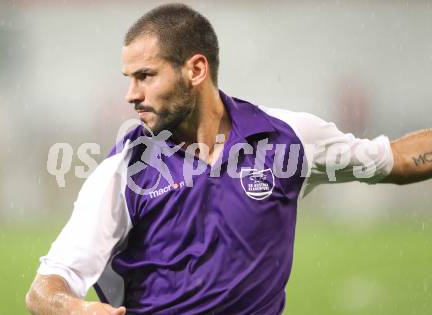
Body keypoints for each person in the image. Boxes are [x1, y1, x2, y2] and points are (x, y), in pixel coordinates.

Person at [25, 3, 432, 315]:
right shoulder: (122, 172)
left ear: (196, 70)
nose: (131, 94)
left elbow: (394, 160)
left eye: (145, 76)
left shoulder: (288, 138)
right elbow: (46, 288)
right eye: (129, 79)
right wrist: (75, 308)